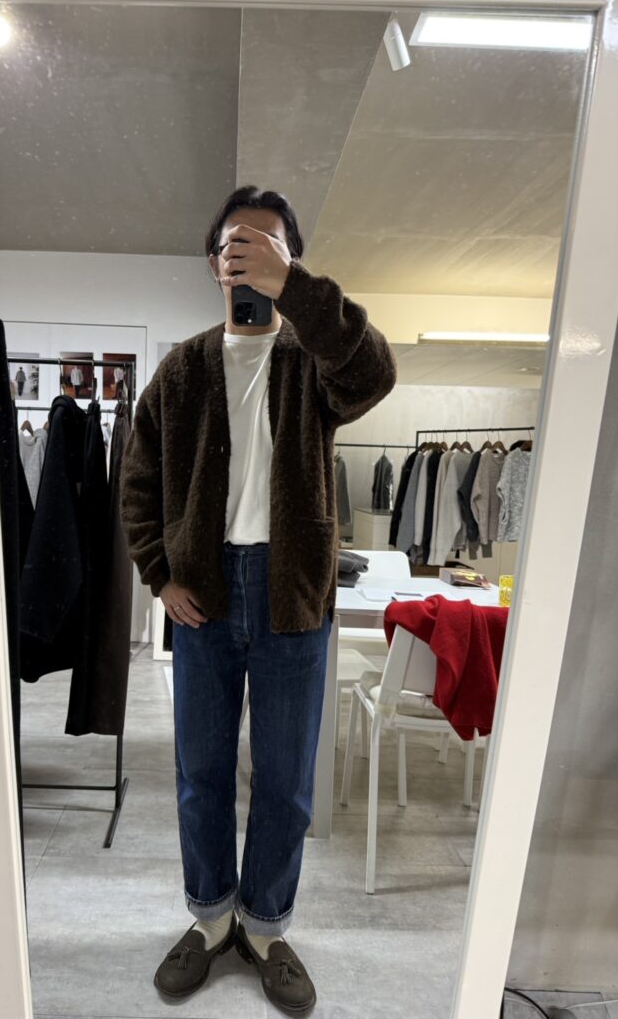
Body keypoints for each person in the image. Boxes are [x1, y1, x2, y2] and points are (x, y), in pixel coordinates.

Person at [119, 186, 396, 1013]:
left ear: (289, 259)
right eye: (235, 246)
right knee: (201, 772)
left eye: (267, 247)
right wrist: (158, 573)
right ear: (215, 264)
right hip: (202, 595)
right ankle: (211, 920)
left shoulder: (314, 360)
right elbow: (138, 483)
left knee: (285, 780)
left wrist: (297, 292)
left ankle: (266, 926)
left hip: (292, 595)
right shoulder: (183, 368)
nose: (248, 259)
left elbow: (376, 373)